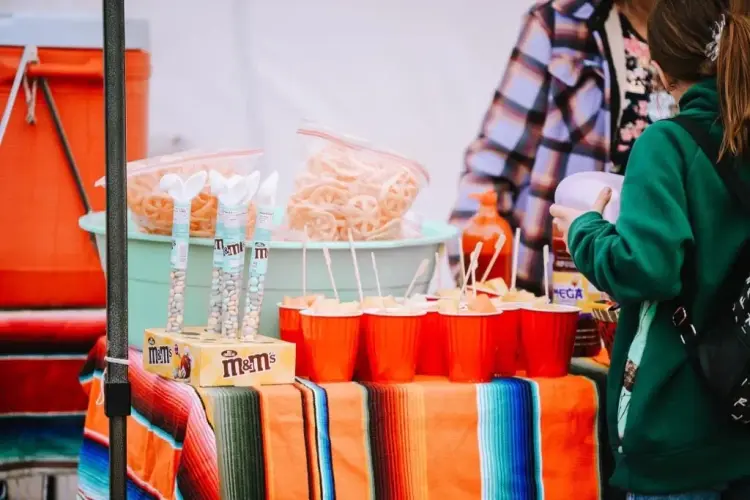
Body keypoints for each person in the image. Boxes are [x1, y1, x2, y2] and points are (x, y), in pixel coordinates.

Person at [550, 0, 750, 498]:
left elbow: (648, 269)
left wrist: (585, 231)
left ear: (657, 67)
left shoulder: (665, 144)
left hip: (678, 426)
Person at [449, 0, 670, 292]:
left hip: (664, 296)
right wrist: (476, 288)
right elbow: (493, 167)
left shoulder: (716, 25)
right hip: (559, 291)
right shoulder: (559, 21)